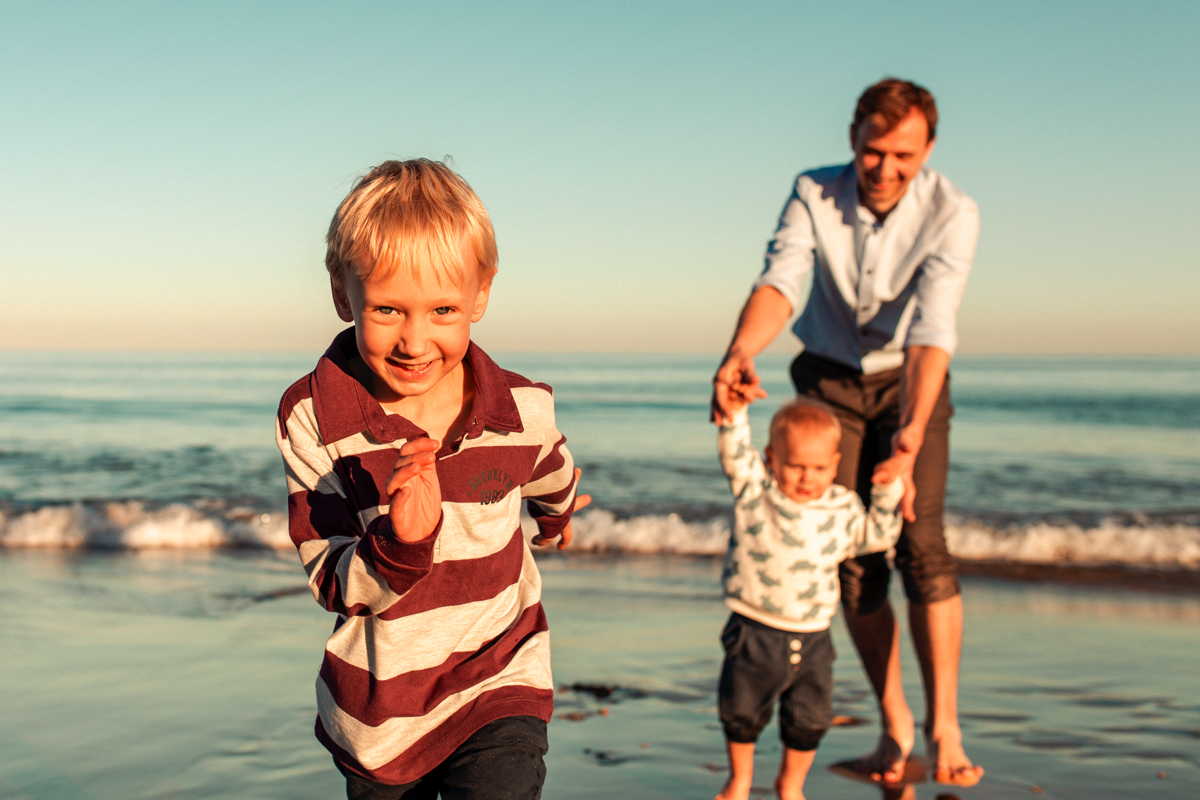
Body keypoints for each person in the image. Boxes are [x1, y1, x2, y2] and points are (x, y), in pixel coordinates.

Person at [276, 159, 588, 798]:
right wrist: (401, 542)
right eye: (388, 309)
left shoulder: (522, 409)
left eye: (443, 309)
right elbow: (329, 577)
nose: (415, 341)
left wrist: (557, 519)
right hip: (384, 708)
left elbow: (550, 469)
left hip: (501, 673)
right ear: (343, 293)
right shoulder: (314, 417)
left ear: (481, 293)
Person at [711, 78, 984, 787]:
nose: (886, 169)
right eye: (873, 152)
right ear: (853, 142)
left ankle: (943, 726)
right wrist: (742, 351)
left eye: (903, 155)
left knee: (921, 545)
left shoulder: (953, 212)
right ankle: (895, 731)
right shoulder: (813, 192)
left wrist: (913, 431)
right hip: (828, 381)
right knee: (854, 557)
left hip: (910, 381)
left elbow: (933, 331)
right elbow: (782, 280)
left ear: (927, 150)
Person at [715, 394, 904, 800]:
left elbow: (876, 537)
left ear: (835, 464)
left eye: (819, 468)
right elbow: (734, 455)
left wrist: (888, 491)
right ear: (771, 459)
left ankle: (791, 784)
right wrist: (735, 413)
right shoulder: (756, 493)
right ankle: (740, 780)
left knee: (811, 719)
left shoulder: (842, 506)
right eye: (796, 465)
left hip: (815, 636)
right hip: (754, 629)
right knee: (740, 712)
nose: (807, 478)